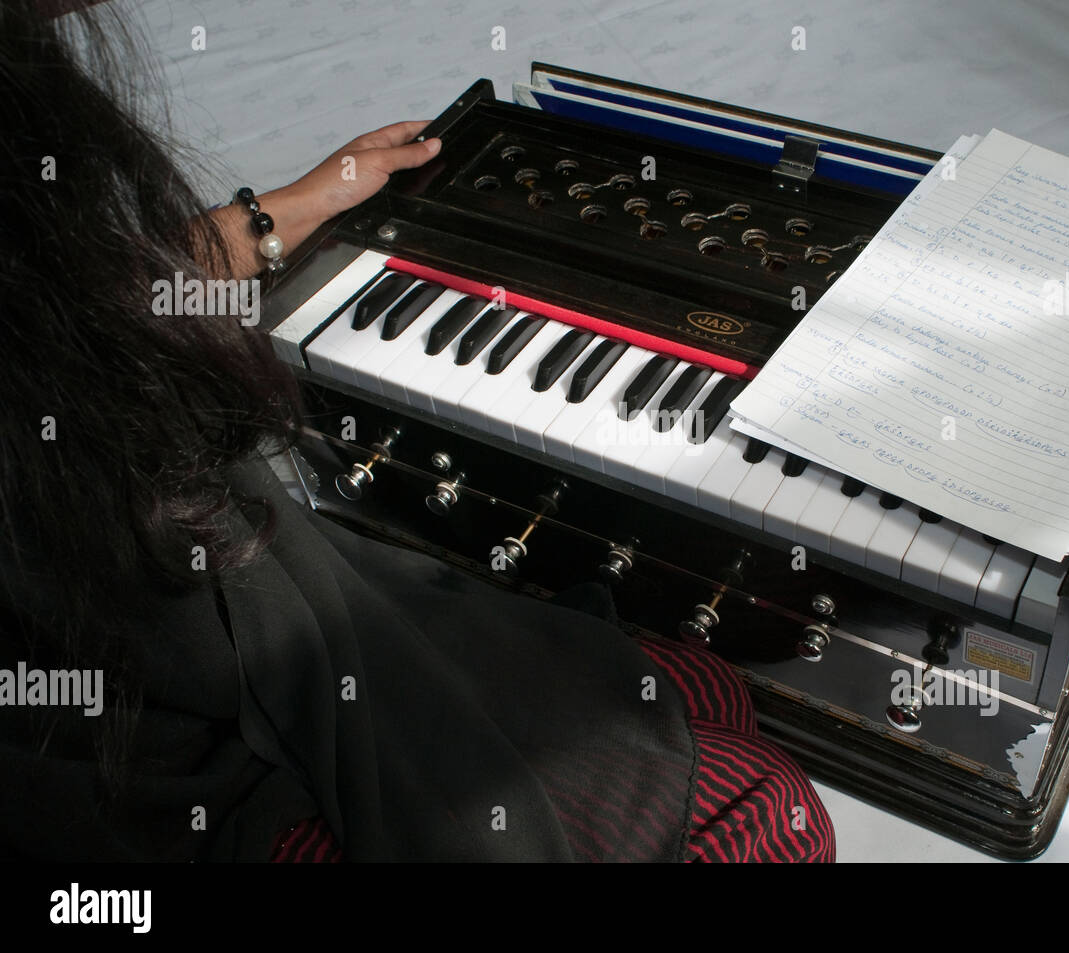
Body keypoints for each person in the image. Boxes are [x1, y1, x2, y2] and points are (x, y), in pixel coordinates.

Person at [0, 0, 833, 862]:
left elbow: (76, 298)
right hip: (176, 770)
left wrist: (290, 208)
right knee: (775, 812)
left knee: (709, 689)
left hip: (239, 643)